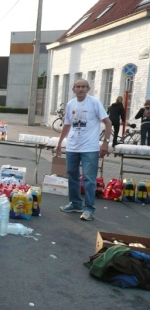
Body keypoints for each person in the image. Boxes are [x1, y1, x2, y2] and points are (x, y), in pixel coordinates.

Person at [56, 79, 111, 221]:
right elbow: (67, 125)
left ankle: (89, 209)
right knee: (72, 176)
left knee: (89, 179)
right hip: (72, 147)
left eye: (83, 87)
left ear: (88, 89)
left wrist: (105, 143)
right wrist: (59, 143)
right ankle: (75, 203)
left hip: (90, 148)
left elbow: (108, 122)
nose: (80, 89)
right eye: (78, 87)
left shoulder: (94, 102)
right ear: (73, 89)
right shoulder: (70, 104)